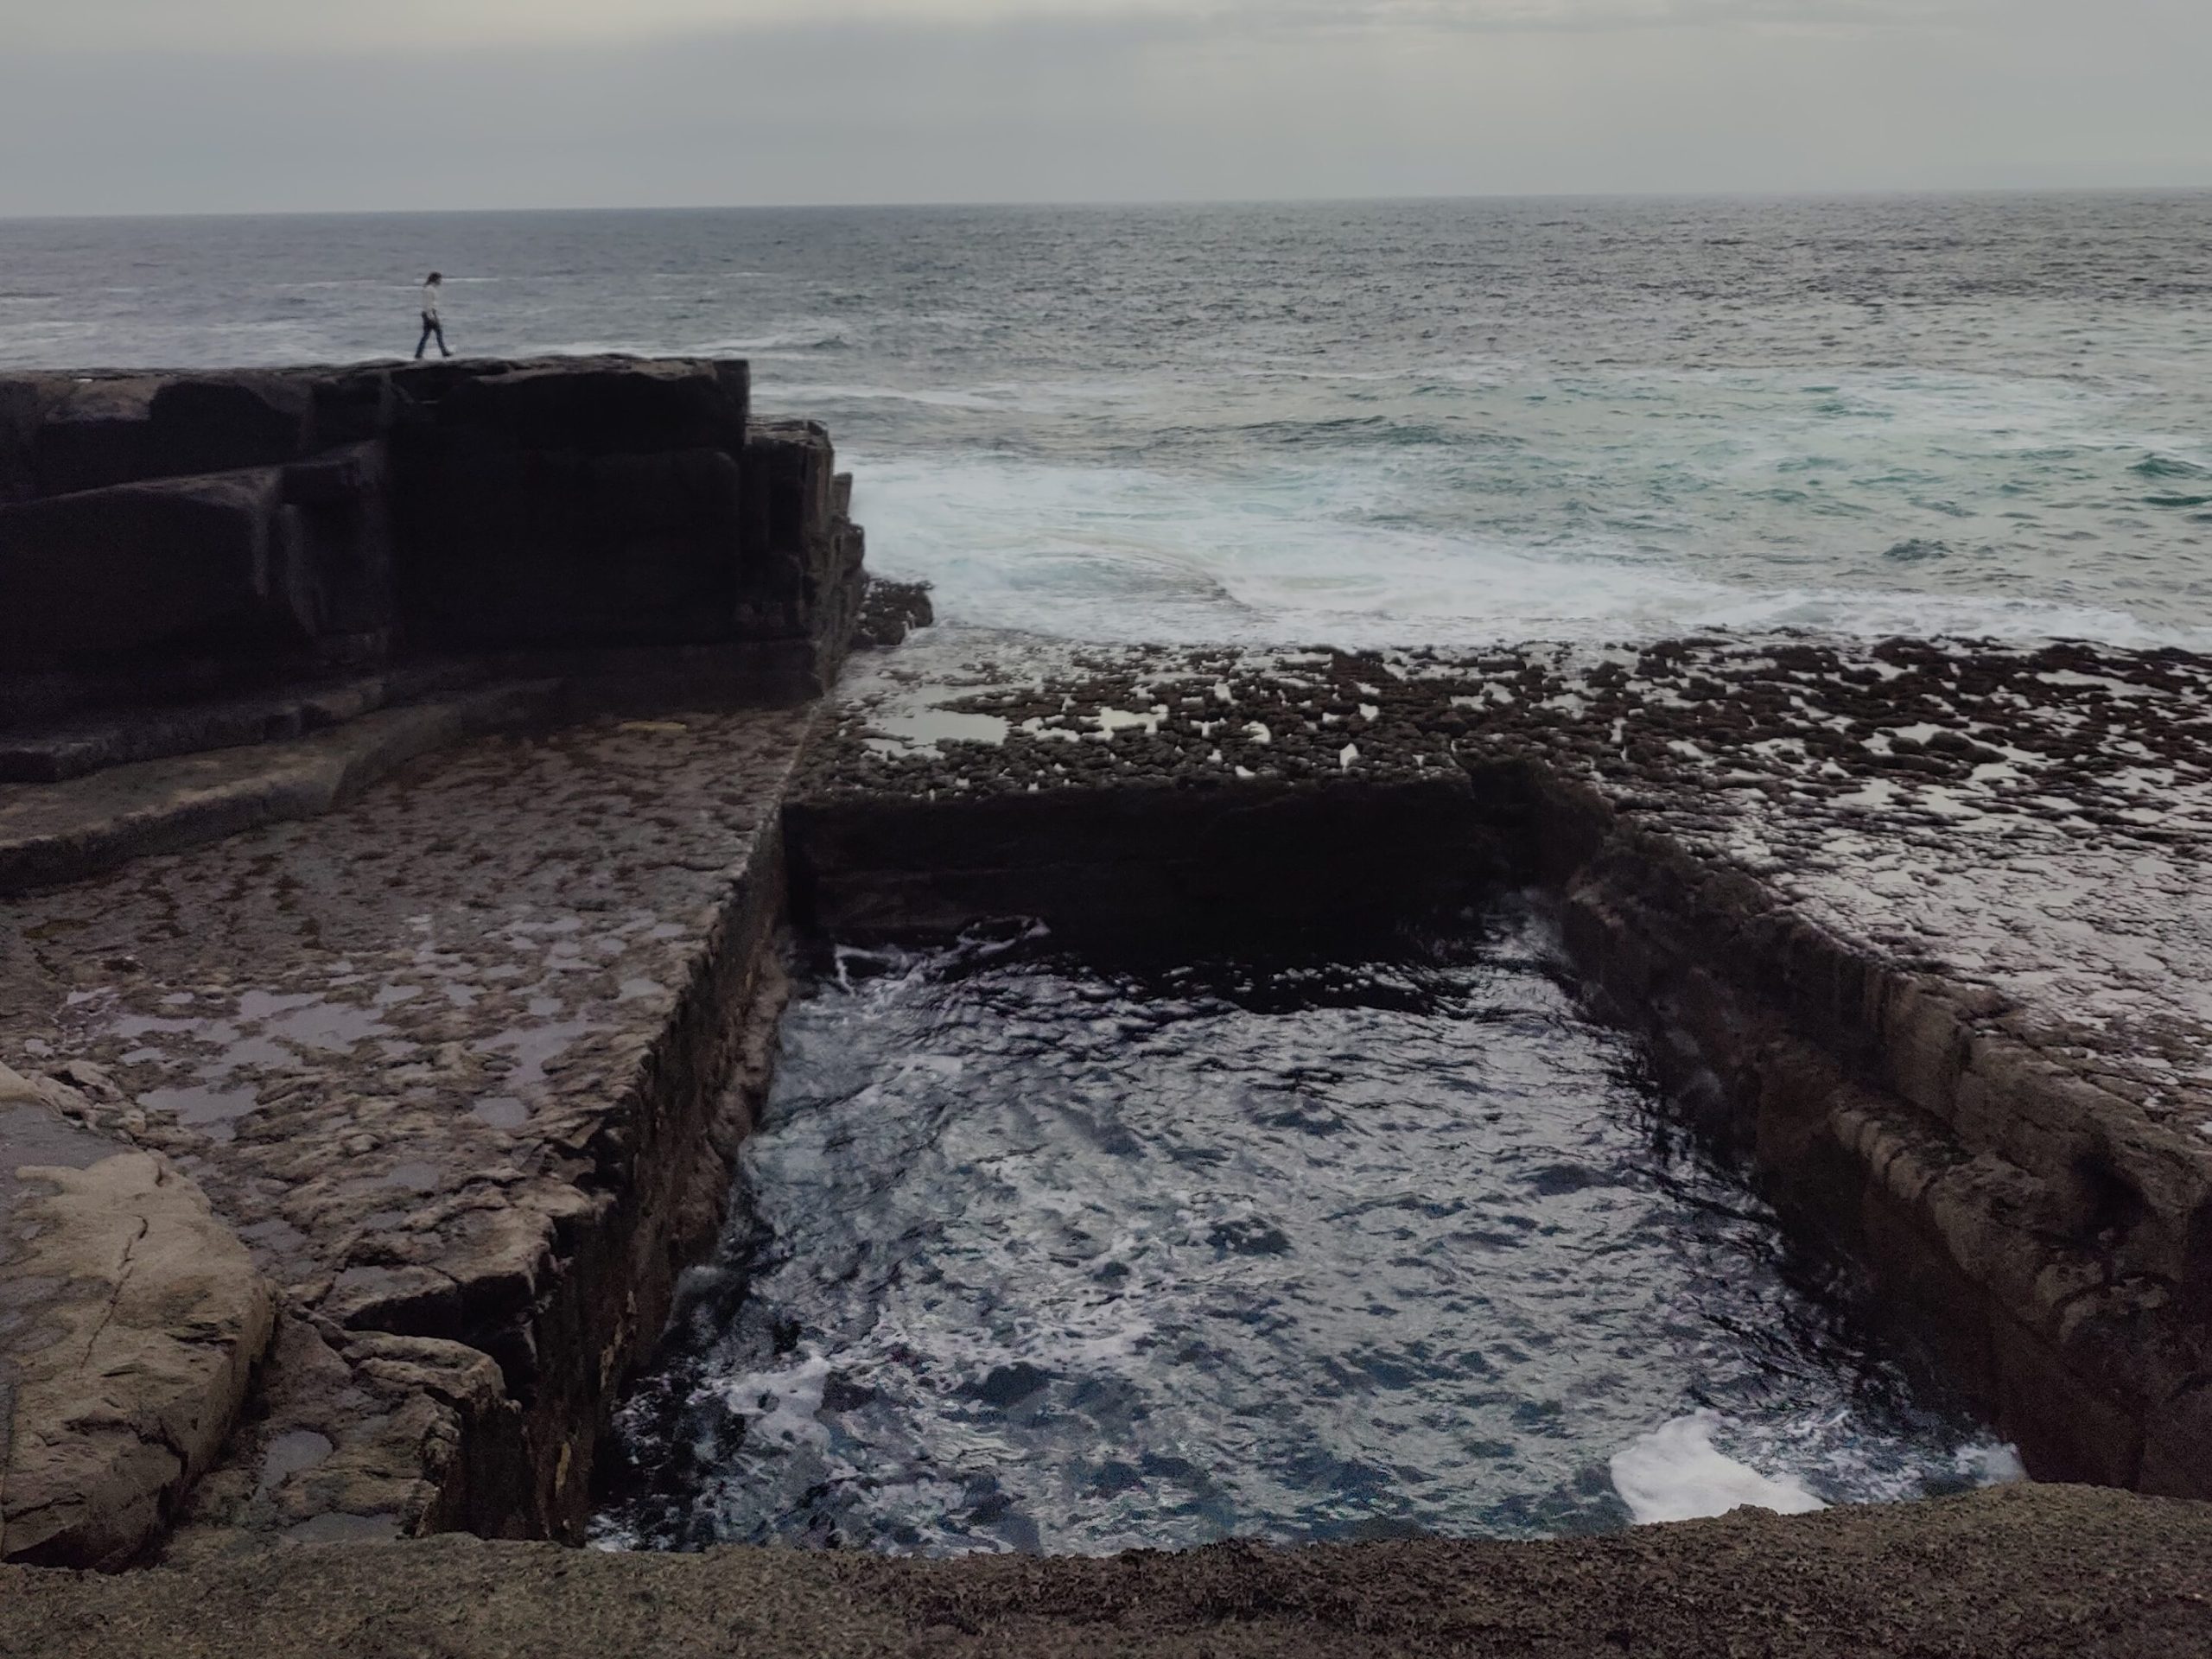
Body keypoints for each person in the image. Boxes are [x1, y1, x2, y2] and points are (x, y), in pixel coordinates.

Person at [415, 272, 450, 359]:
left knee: (427, 334)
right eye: (439, 279)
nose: (440, 281)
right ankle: (444, 352)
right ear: (435, 279)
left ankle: (419, 354)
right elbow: (428, 304)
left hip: (429, 313)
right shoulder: (429, 290)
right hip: (429, 313)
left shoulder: (431, 289)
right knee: (438, 332)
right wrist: (431, 316)